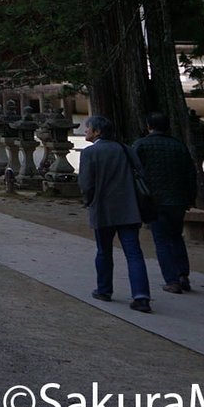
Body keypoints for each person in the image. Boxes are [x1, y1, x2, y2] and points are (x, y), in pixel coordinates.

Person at [77, 114, 153, 313]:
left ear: (97, 132)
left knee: (104, 250)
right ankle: (141, 296)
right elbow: (141, 174)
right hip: (129, 207)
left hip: (103, 208)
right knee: (134, 253)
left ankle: (104, 289)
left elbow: (86, 184)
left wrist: (88, 201)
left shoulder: (89, 153)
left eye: (88, 127)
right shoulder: (125, 149)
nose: (85, 131)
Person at [133, 112, 195, 294]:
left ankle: (171, 280)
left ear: (148, 126)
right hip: (177, 199)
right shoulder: (178, 145)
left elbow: (134, 172)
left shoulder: (141, 145)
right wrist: (190, 197)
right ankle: (183, 274)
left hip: (154, 200)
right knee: (176, 236)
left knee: (161, 240)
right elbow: (190, 174)